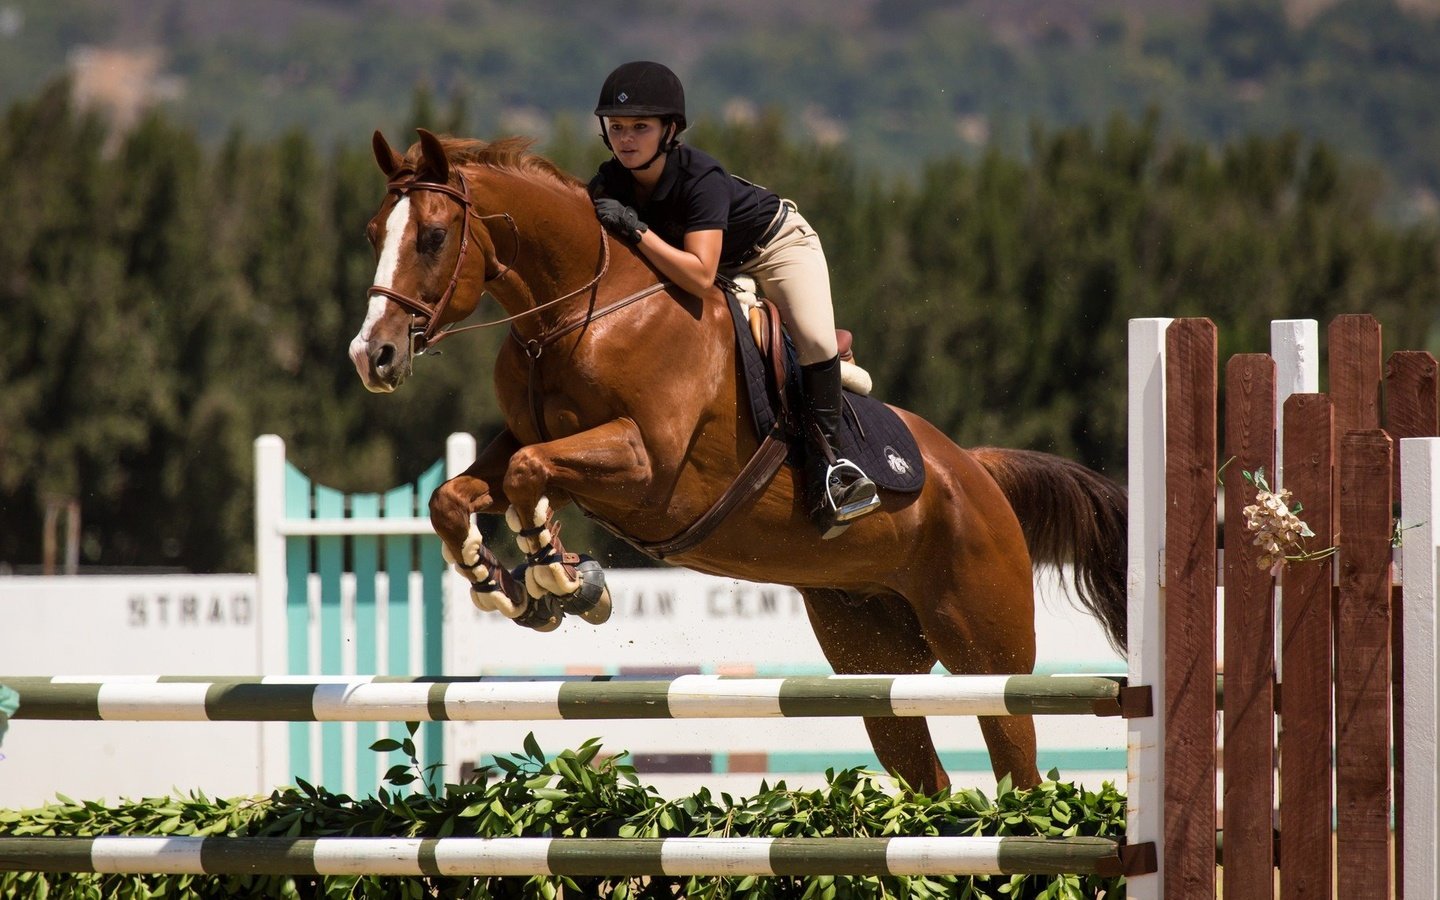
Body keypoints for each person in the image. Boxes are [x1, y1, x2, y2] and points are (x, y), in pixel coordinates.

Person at [588, 60, 879, 539]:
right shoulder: (608, 183)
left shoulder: (700, 177)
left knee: (812, 342)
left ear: (670, 130)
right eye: (617, 127)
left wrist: (636, 230)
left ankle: (833, 469)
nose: (626, 138)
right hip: (714, 264)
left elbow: (700, 276)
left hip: (774, 247)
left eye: (641, 126)